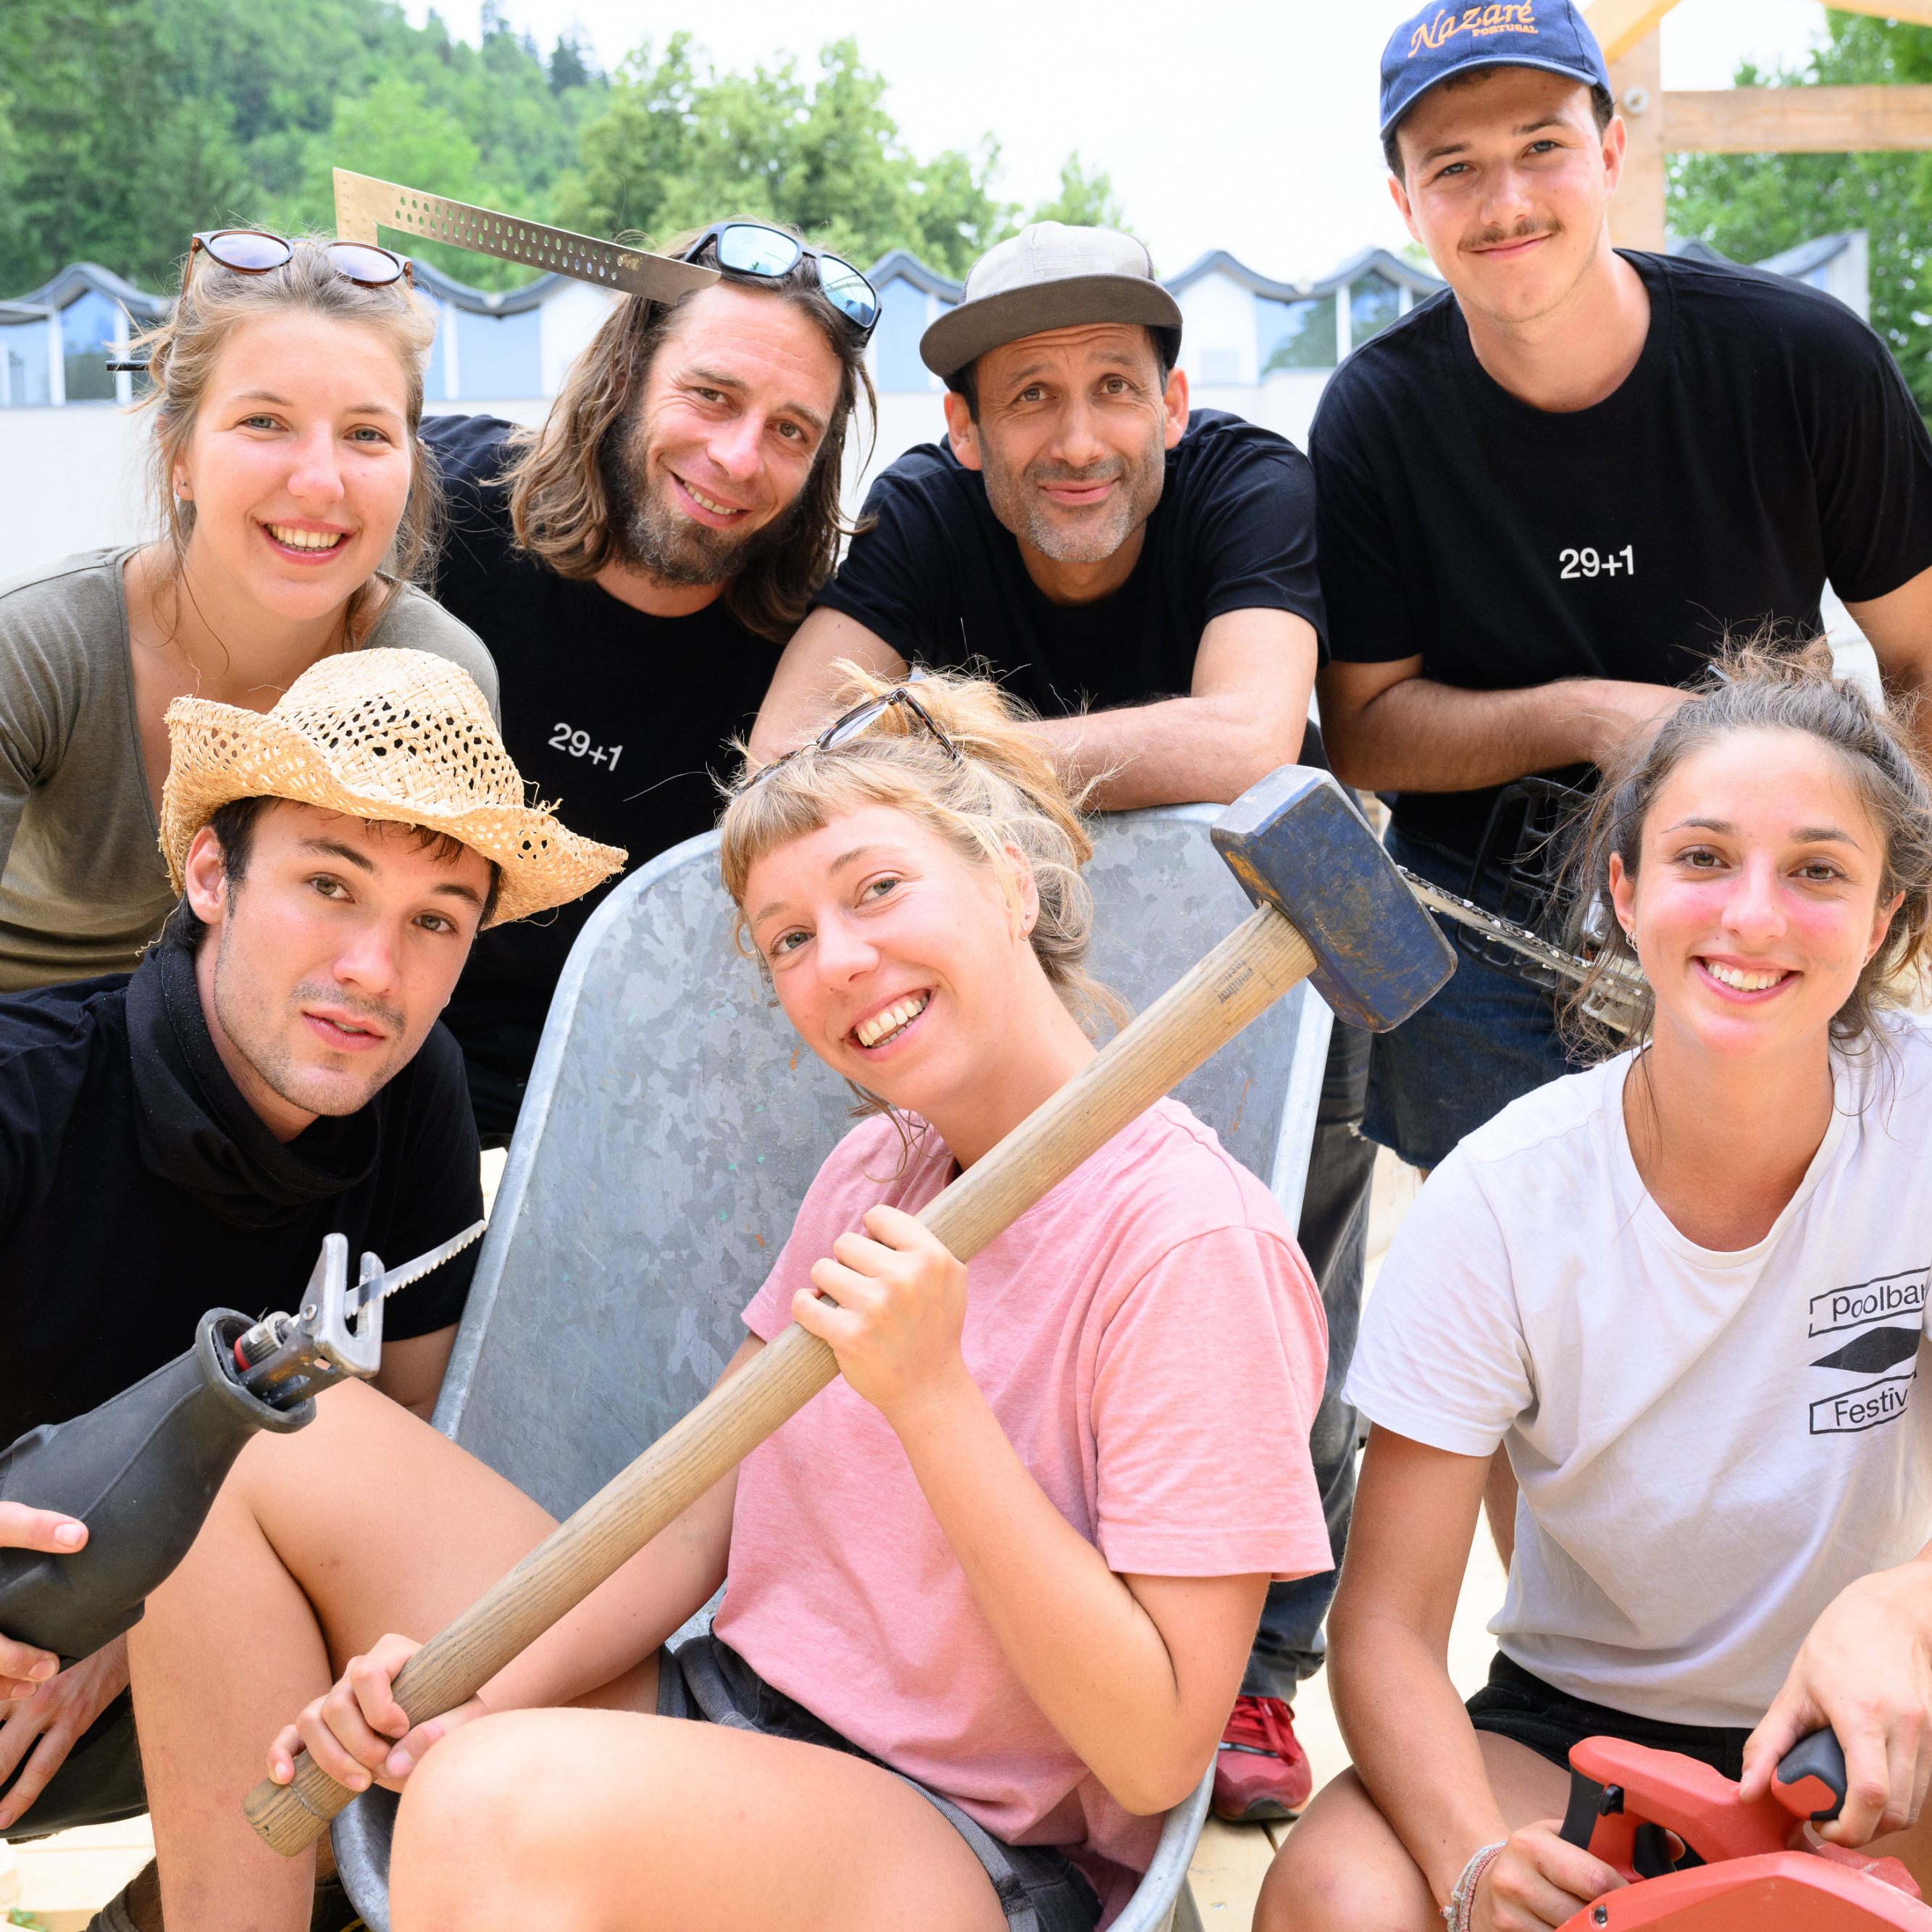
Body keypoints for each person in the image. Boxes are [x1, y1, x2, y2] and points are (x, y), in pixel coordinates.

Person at [127, 669, 1331, 1932]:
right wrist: (469, 1684)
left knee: (488, 1806)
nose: (843, 961)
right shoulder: (881, 1168)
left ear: (1010, 882)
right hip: (727, 1710)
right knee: (237, 1446)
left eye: (876, 888)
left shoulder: (1190, 1243)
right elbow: (688, 1518)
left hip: (959, 1843)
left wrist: (934, 1402)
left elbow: (1153, 1755)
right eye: (788, 938)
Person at [750, 223, 1347, 1821]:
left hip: (1233, 950)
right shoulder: (925, 517)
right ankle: (906, 1635)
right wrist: (937, 824)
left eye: (1108, 389)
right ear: (962, 430)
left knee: (1282, 1237)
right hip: (984, 960)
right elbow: (784, 752)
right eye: (1026, 397)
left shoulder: (1247, 483)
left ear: (1170, 402)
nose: (1073, 436)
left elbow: (1248, 732)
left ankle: (1250, 1660)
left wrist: (946, 776)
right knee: (985, 1301)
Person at [1259, 639, 1932, 1932]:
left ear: (1885, 918)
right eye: (1699, 858)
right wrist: (1472, 1863)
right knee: (1335, 1899)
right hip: (1576, 1727)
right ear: (1621, 891)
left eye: (1815, 872)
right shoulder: (1501, 1198)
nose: (1749, 914)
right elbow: (1388, 1630)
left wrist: (1898, 1602)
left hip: (1872, 1711)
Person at [0, 648, 619, 1870]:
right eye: (330, 885)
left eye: (434, 920)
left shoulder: (412, 1088)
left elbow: (399, 1422)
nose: (372, 973)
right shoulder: (28, 1096)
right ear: (210, 873)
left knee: (457, 1715)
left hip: (179, 1659)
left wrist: (136, 1640)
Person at [1313, 0, 1932, 1184]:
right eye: (1452, 168)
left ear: (1607, 153)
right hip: (1485, 931)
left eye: (1541, 146)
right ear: (1404, 203)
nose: (1504, 202)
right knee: (1532, 1297)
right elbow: (1363, 730)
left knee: (1776, 1251)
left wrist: (1877, 875)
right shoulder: (1373, 417)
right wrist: (1595, 716)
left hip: (1756, 884)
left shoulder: (1798, 361)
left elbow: (1922, 659)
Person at [422, 217, 877, 1142]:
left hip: (615, 1125)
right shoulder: (438, 501)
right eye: (711, 396)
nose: (741, 459)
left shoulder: (814, 655)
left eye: (791, 430)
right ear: (626, 374)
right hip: (358, 1063)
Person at [0, 229, 498, 995]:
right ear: (180, 452)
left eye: (366, 434)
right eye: (264, 422)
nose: (319, 482)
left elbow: (396, 975)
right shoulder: (35, 650)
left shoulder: (433, 676)